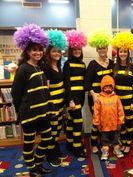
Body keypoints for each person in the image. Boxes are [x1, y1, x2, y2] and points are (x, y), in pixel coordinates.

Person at [11, 24, 58, 177]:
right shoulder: (23, 69)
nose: (37, 52)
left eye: (39, 49)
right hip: (29, 114)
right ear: (27, 51)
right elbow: (15, 94)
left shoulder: (40, 67)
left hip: (42, 113)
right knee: (29, 143)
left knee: (47, 139)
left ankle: (38, 164)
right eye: (34, 50)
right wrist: (21, 114)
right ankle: (32, 169)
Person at [85, 30, 114, 153]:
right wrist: (93, 94)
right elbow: (86, 83)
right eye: (100, 49)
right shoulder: (92, 64)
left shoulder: (112, 64)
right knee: (97, 121)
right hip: (95, 98)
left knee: (107, 120)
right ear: (97, 50)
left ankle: (106, 142)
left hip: (108, 99)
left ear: (107, 49)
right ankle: (94, 144)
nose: (102, 51)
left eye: (104, 48)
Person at [112, 31, 133, 154]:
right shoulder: (114, 67)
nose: (123, 54)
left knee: (128, 123)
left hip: (129, 101)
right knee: (120, 123)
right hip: (117, 101)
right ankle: (123, 141)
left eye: (125, 51)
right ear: (117, 53)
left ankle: (128, 143)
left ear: (128, 53)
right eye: (121, 51)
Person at [44, 29, 68, 161]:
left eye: (59, 51)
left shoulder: (58, 66)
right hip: (52, 106)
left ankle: (55, 149)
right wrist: (50, 106)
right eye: (54, 51)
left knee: (58, 129)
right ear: (49, 52)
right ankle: (50, 155)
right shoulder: (46, 67)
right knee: (52, 130)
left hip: (60, 105)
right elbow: (46, 90)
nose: (57, 53)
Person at [63, 30, 88, 157]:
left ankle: (70, 143)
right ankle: (77, 148)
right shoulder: (67, 64)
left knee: (72, 121)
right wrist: (70, 100)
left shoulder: (83, 64)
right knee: (78, 121)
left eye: (79, 49)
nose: (77, 51)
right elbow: (66, 83)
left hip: (80, 98)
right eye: (75, 49)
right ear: (71, 51)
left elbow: (84, 82)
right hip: (72, 98)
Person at [93, 75, 125, 160]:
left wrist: (120, 122)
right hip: (104, 125)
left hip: (115, 125)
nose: (108, 89)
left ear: (113, 87)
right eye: (105, 87)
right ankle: (105, 151)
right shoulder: (99, 99)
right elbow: (96, 113)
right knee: (104, 140)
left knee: (115, 139)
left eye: (110, 87)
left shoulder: (116, 98)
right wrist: (97, 123)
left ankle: (116, 150)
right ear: (102, 87)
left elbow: (120, 111)